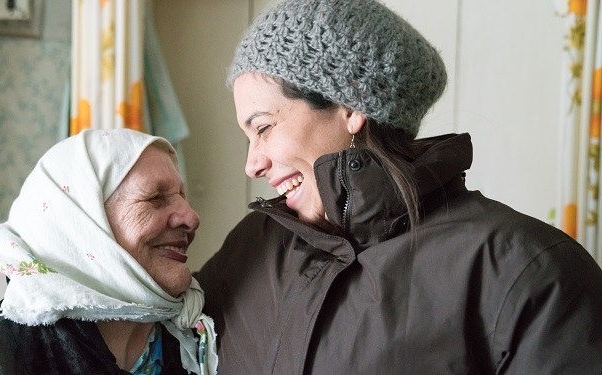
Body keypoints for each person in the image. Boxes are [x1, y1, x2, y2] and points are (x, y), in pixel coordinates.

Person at [193, 0, 602, 373]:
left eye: (263, 127)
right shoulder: (250, 250)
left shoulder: (530, 271)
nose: (252, 164)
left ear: (350, 105)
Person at [0, 129, 217, 375]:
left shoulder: (199, 334)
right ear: (83, 227)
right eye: (155, 198)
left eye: (182, 196)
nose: (191, 217)